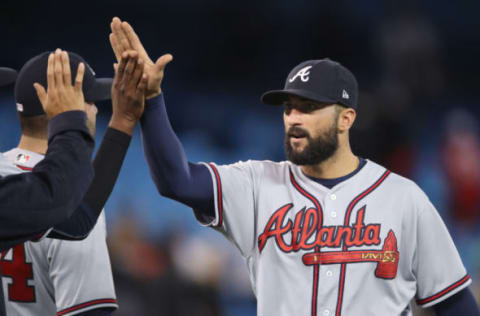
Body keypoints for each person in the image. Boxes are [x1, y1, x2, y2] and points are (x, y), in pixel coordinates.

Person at [109, 17, 480, 316]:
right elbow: (177, 180)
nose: (293, 118)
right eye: (289, 108)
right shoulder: (257, 184)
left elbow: (455, 301)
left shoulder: (404, 199)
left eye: (309, 108)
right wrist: (153, 102)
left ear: (346, 118)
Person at [0, 49, 147, 316]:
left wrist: (122, 123)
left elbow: (75, 219)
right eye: (90, 102)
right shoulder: (60, 194)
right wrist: (71, 123)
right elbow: (67, 207)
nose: (94, 110)